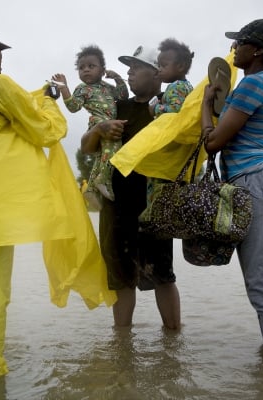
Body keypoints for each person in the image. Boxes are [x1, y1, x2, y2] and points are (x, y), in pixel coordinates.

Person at [0, 23, 114, 380]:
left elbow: (9, 112)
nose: (2, 55)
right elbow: (45, 130)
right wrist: (48, 103)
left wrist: (40, 95)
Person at [201, 19, 263, 359]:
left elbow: (212, 143)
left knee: (262, 284)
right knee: (259, 284)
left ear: (256, 50)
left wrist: (204, 107)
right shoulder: (254, 84)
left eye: (239, 43)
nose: (233, 49)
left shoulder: (256, 84)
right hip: (249, 184)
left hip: (259, 184)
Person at [81, 45, 181, 330]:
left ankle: (173, 342)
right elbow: (87, 148)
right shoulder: (117, 108)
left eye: (136, 68)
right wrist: (98, 131)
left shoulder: (168, 108)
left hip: (154, 207)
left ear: (157, 73)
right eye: (128, 68)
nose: (129, 73)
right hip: (116, 208)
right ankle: (122, 348)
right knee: (121, 279)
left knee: (163, 274)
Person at [52, 45, 129, 210]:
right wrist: (64, 88)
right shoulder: (82, 89)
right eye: (81, 68)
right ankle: (104, 180)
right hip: (98, 122)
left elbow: (123, 96)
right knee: (115, 147)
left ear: (102, 70)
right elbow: (73, 107)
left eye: (91, 66)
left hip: (110, 121)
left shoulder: (107, 87)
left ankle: (92, 189)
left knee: (102, 155)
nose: (85, 70)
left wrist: (118, 78)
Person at [150, 38, 194, 118]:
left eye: (163, 65)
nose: (159, 70)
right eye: (159, 66)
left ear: (180, 66)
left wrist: (155, 108)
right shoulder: (188, 85)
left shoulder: (176, 86)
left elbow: (175, 110)